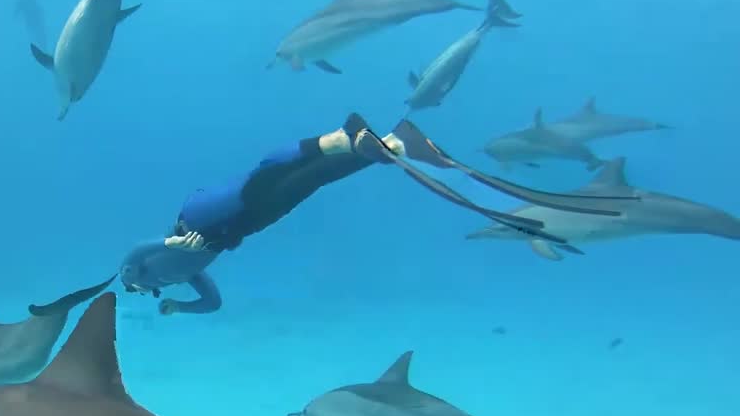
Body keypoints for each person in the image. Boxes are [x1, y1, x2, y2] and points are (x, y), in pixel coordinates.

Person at [162, 113, 611, 255]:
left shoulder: (158, 256)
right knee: (294, 179)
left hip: (217, 214)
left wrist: (176, 243)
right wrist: (177, 304)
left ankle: (346, 140)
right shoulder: (179, 274)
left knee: (267, 180)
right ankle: (382, 144)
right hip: (241, 218)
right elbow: (209, 299)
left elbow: (158, 250)